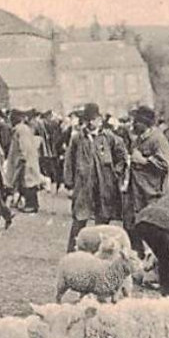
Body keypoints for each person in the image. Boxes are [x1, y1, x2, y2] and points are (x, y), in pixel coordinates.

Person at [62, 103, 127, 252]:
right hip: (84, 184)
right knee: (80, 218)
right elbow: (69, 160)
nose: (92, 123)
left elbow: (122, 156)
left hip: (104, 184)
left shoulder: (108, 137)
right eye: (89, 120)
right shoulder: (78, 138)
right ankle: (72, 252)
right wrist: (70, 182)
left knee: (102, 220)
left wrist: (115, 173)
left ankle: (99, 251)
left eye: (95, 119)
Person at [123, 105, 169, 250]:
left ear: (144, 122)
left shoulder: (157, 139)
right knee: (132, 227)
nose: (133, 123)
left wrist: (144, 161)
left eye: (136, 121)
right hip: (136, 192)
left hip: (151, 193)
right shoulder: (137, 140)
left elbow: (165, 164)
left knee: (151, 229)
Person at [3, 110, 47, 213]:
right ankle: (29, 203)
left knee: (28, 182)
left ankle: (31, 205)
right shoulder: (23, 129)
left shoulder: (20, 130)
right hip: (26, 160)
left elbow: (24, 146)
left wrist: (22, 158)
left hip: (25, 161)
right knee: (25, 183)